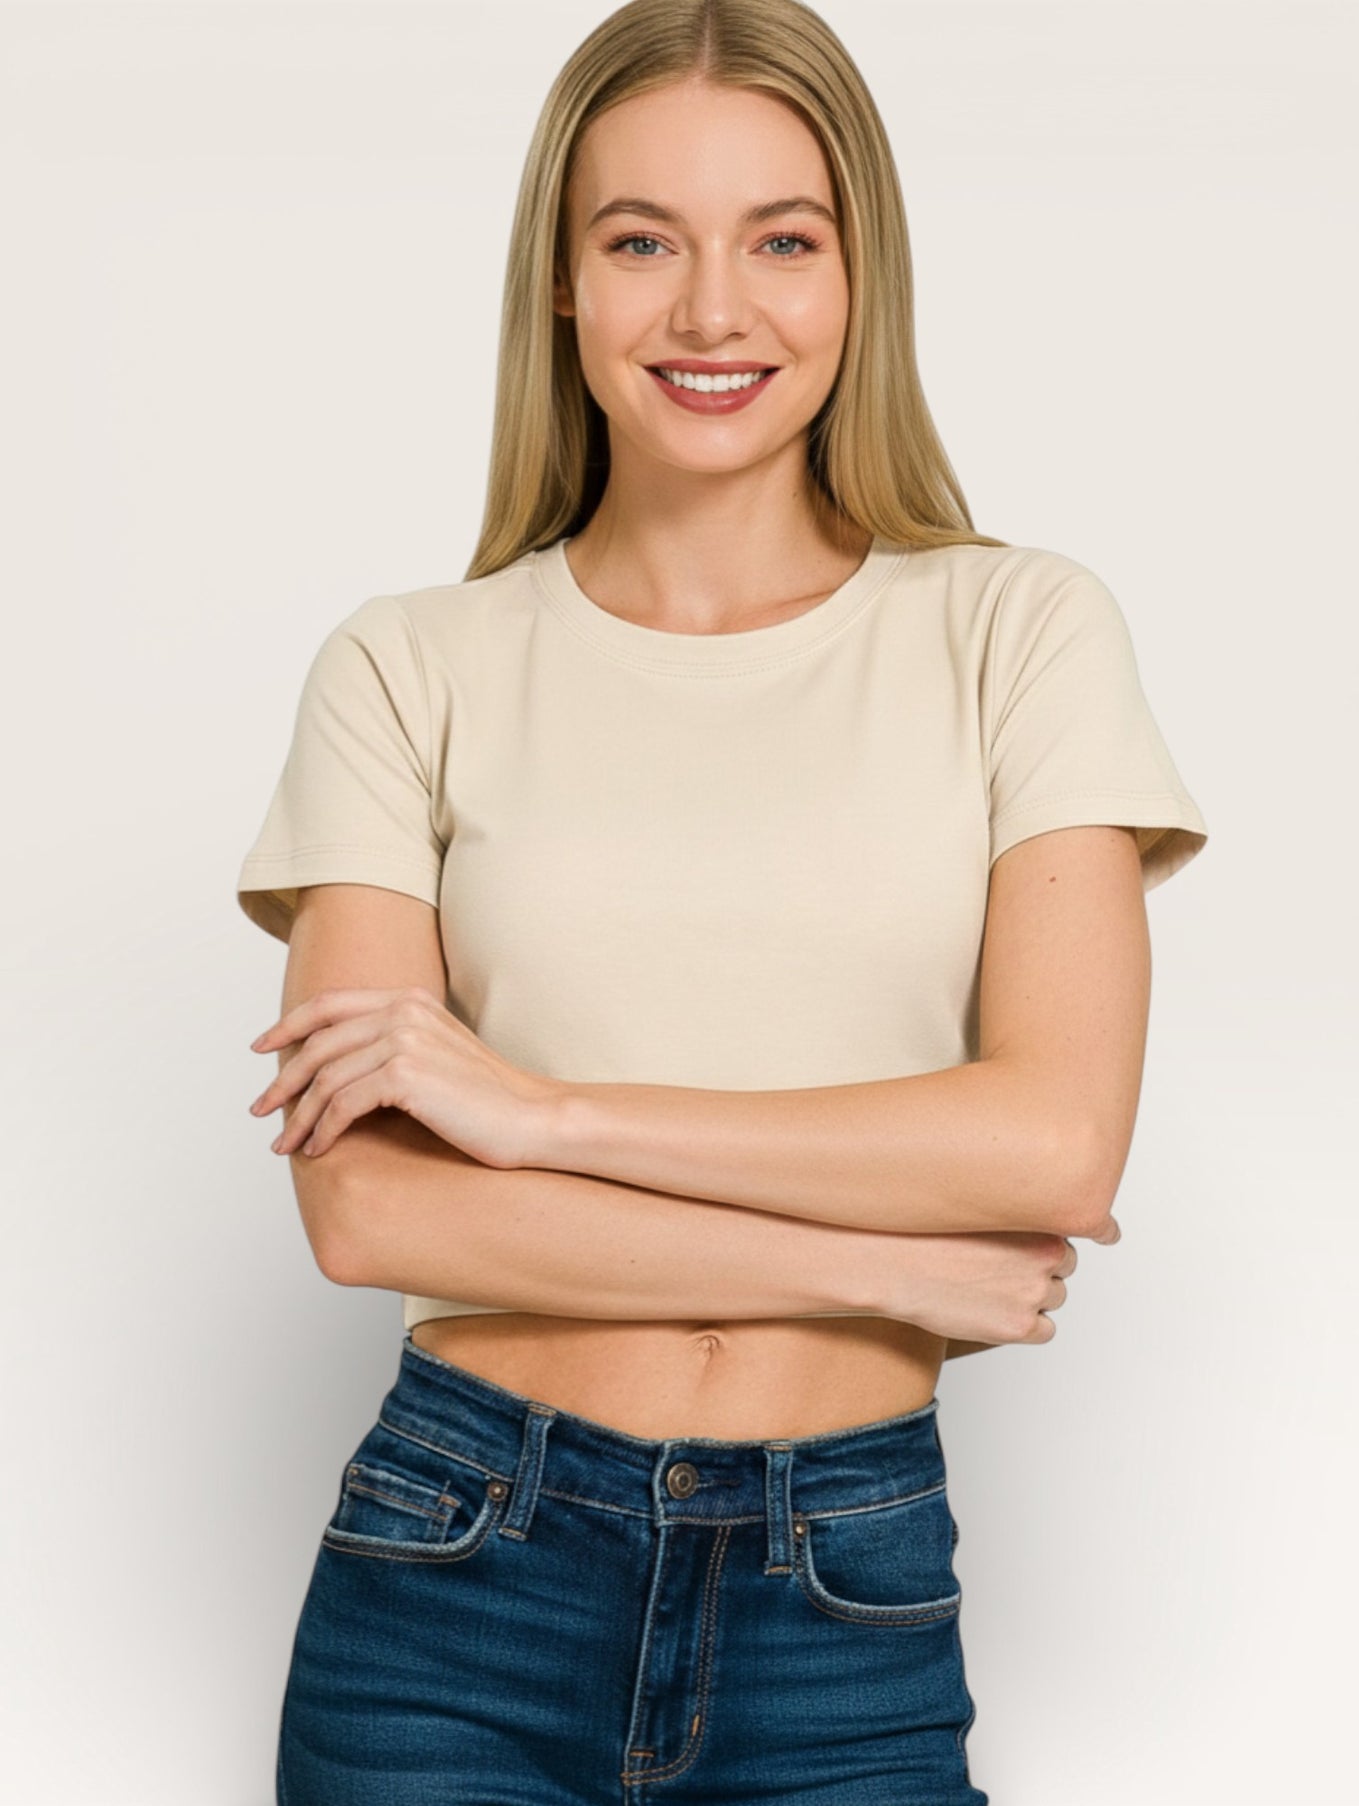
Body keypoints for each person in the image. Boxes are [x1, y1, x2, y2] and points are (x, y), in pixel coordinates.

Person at [237, 1, 1208, 1799]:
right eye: (639, 242)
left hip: (842, 1590)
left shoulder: (1015, 634)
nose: (708, 312)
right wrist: (868, 1262)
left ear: (860, 275)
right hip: (455, 1572)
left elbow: (1053, 1142)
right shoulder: (407, 666)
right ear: (560, 283)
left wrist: (536, 1114)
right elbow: (368, 1208)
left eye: (780, 238)